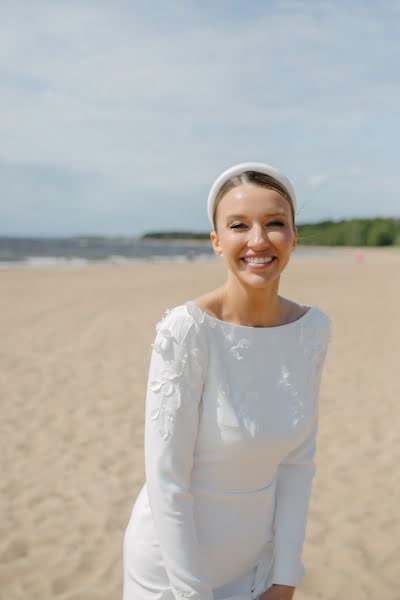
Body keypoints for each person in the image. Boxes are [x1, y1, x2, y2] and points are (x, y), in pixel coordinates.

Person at [122, 162, 332, 600]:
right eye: (239, 225)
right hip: (170, 573)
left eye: (275, 223)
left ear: (294, 237)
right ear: (217, 242)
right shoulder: (187, 331)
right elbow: (167, 480)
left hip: (254, 566)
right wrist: (192, 592)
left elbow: (297, 463)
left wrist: (286, 575)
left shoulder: (311, 329)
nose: (258, 240)